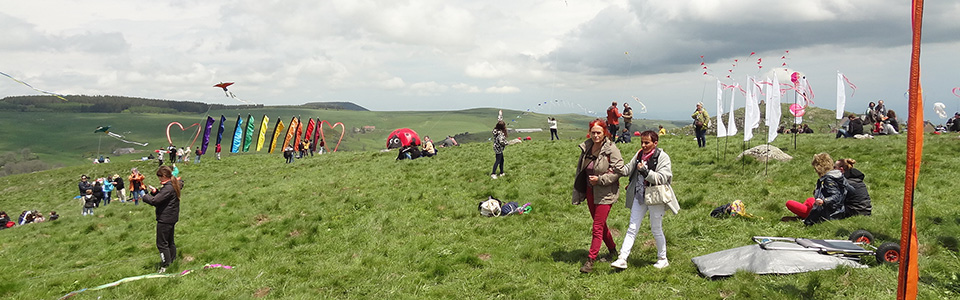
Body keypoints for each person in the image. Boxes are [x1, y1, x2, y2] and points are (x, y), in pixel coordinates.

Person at [612, 130, 679, 270]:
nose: (643, 145)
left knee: (656, 229)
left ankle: (663, 258)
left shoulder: (662, 157)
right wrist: (614, 166)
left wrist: (645, 172)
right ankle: (622, 258)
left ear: (655, 143)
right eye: (642, 142)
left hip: (655, 197)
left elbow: (662, 178)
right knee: (632, 227)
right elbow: (627, 170)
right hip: (639, 196)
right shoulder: (639, 154)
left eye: (647, 143)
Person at [573, 119, 627, 273]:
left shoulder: (611, 149)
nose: (596, 135)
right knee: (601, 225)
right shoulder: (587, 147)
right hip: (590, 191)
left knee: (597, 227)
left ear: (605, 133)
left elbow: (619, 171)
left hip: (606, 192)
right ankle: (612, 251)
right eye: (593, 132)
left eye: (599, 133)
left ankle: (590, 261)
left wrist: (600, 180)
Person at [785, 153, 847, 225]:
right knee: (810, 200)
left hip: (826, 212)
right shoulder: (836, 175)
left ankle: (805, 216)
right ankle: (803, 215)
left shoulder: (829, 180)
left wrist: (824, 201)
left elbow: (836, 196)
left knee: (789, 203)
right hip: (835, 210)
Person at [142, 166, 182, 274]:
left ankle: (166, 265)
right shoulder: (173, 185)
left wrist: (144, 196)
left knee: (161, 244)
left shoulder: (168, 188)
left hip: (165, 219)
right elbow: (163, 198)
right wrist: (155, 191)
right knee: (170, 241)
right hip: (171, 217)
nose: (159, 179)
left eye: (159, 176)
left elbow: (155, 201)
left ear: (164, 176)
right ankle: (172, 261)